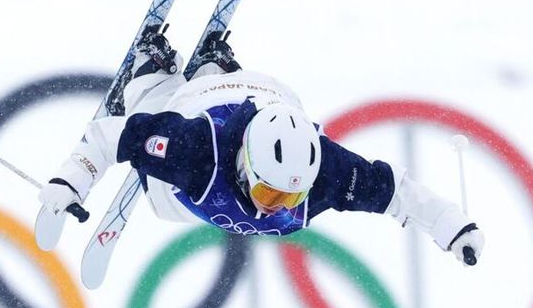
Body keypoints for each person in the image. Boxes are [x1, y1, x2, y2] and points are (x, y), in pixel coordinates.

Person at [38, 26, 484, 264]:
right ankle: (153, 70)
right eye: (271, 194)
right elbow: (109, 134)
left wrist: (452, 226)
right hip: (204, 106)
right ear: (246, 167)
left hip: (267, 93)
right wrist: (71, 181)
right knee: (161, 196)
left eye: (291, 197)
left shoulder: (326, 172)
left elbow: (395, 194)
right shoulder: (194, 152)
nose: (277, 208)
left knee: (177, 193)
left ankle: (214, 65)